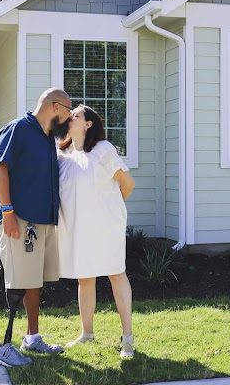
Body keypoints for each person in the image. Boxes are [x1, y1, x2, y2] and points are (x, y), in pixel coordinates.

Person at [0, 88, 72, 367]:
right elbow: (0, 169)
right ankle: (4, 348)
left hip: (43, 221)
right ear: (55, 107)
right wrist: (7, 213)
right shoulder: (18, 129)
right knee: (17, 283)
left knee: (33, 281)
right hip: (20, 219)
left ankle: (32, 338)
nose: (68, 118)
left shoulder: (48, 137)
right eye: (68, 112)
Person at [57, 105, 136, 358]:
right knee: (85, 278)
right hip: (78, 228)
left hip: (106, 226)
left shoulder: (103, 149)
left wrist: (110, 210)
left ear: (88, 124)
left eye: (75, 115)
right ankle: (87, 334)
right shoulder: (62, 154)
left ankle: (127, 340)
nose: (70, 117)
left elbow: (128, 184)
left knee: (116, 274)